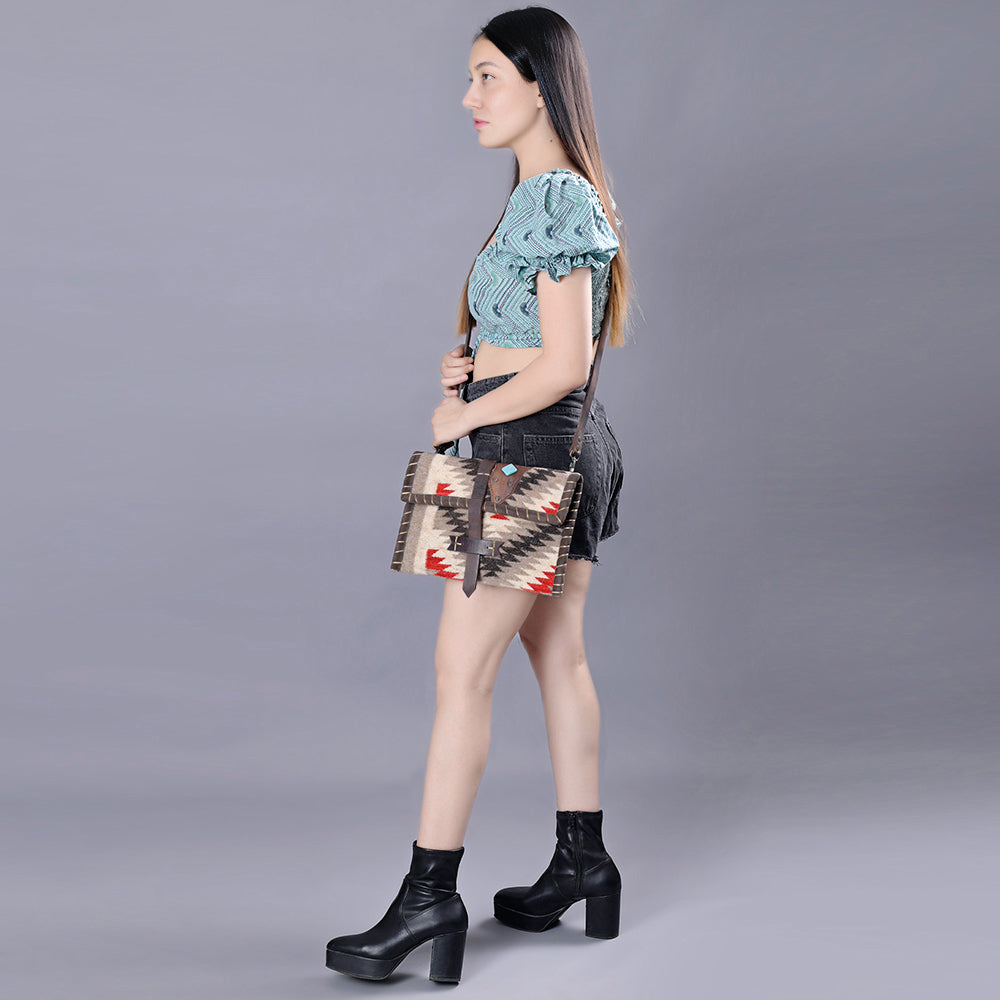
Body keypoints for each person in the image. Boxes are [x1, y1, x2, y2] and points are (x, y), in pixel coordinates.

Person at [325, 6, 635, 984]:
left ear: (542, 84)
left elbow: (567, 362)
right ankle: (583, 862)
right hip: (553, 441)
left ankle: (429, 899)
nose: (469, 96)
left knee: (459, 674)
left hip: (523, 447)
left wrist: (460, 413)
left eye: (487, 75)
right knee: (559, 654)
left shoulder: (556, 197)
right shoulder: (542, 194)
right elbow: (539, 343)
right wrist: (470, 364)